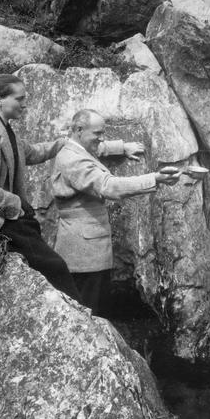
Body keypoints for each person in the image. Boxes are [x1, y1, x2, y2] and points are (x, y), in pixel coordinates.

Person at [0, 74, 79, 299]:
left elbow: (31, 152)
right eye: (19, 99)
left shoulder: (3, 128)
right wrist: (17, 206)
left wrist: (64, 144)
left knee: (49, 262)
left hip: (3, 210)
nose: (25, 103)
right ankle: (81, 319)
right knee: (54, 266)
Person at [51, 109, 181, 318]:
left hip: (85, 248)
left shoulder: (75, 148)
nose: (101, 138)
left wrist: (121, 147)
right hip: (84, 254)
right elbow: (109, 186)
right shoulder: (73, 160)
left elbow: (96, 148)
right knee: (88, 313)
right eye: (97, 133)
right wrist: (154, 179)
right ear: (78, 130)